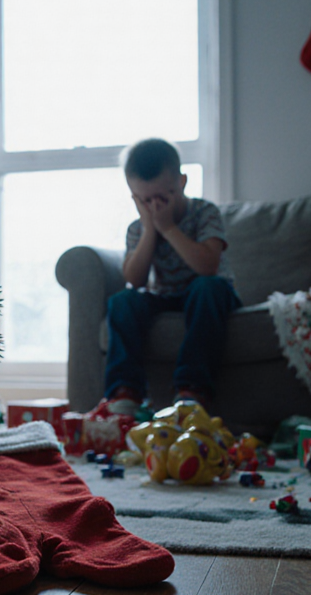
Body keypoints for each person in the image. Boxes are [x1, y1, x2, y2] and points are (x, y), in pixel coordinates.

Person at [101, 138, 241, 416]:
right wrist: (150, 230)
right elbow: (135, 279)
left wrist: (167, 228)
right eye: (145, 200)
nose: (155, 206)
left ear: (182, 183)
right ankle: (124, 392)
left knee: (206, 287)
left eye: (163, 198)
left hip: (208, 294)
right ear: (134, 197)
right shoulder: (137, 228)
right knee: (122, 301)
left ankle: (192, 389)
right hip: (165, 296)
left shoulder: (204, 212)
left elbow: (207, 267)